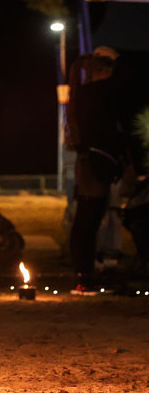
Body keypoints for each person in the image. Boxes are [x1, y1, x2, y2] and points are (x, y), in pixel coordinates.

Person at [65, 50, 123, 294]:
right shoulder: (97, 94)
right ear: (104, 70)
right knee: (88, 218)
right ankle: (85, 276)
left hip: (89, 160)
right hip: (94, 162)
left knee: (87, 218)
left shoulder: (82, 93)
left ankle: (84, 273)